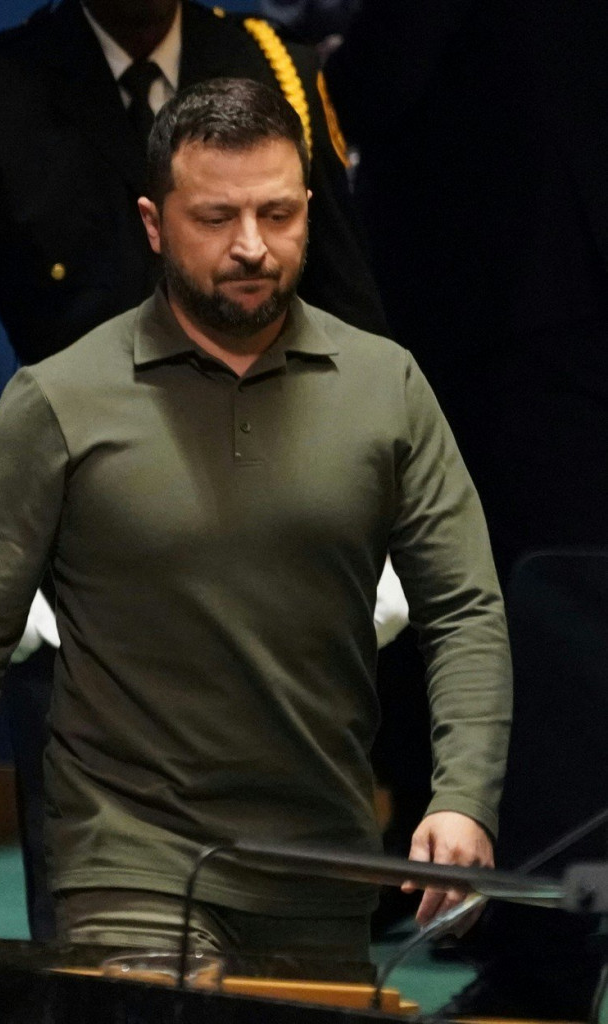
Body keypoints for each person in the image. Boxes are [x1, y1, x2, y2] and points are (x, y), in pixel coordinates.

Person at [0, 78, 511, 978]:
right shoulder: (59, 400)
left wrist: (463, 796)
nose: (251, 245)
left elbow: (465, 609)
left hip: (323, 858)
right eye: (216, 218)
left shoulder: (389, 388)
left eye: (278, 214)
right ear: (154, 225)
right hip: (128, 857)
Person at [323, 0, 608, 1014]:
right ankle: (474, 894)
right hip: (550, 296)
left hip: (504, 312)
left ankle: (538, 955)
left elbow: (371, 81)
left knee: (526, 618)